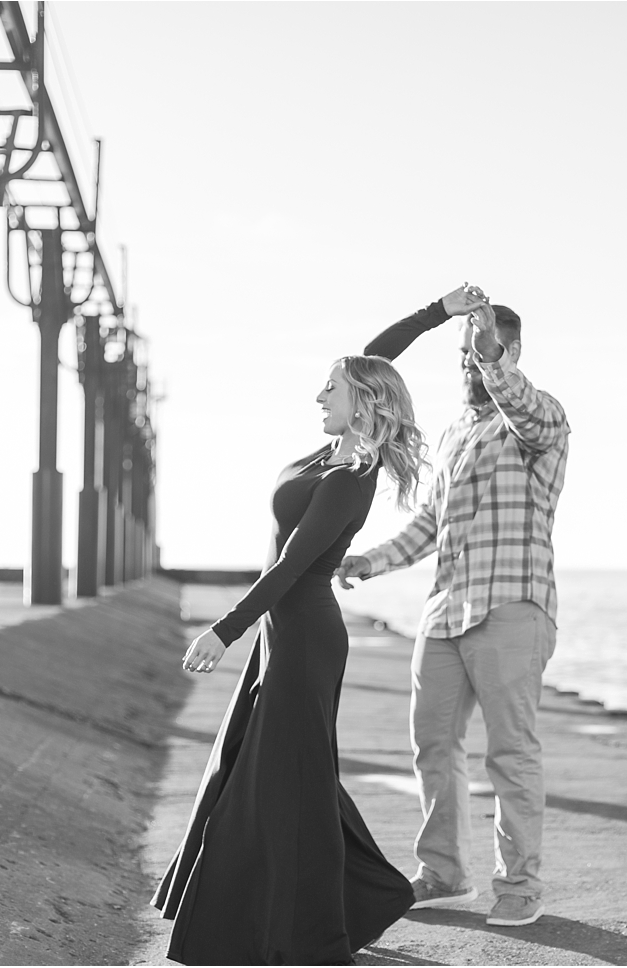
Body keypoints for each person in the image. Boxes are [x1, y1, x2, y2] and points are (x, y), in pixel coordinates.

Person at [152, 355, 426, 965]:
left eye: (331, 388)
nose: (318, 395)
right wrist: (437, 311)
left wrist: (224, 632)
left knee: (277, 783)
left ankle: (303, 929)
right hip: (283, 635)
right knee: (280, 776)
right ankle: (361, 899)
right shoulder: (326, 457)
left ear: (363, 401)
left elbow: (291, 567)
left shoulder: (351, 476)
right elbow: (373, 356)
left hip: (305, 641)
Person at [337, 286, 570, 928]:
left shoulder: (540, 420)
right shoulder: (452, 432)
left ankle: (519, 885)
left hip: (512, 607)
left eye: (478, 354)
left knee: (510, 753)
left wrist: (488, 350)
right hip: (443, 615)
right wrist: (368, 559)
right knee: (431, 746)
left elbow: (517, 398)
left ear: (507, 351)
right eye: (463, 359)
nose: (468, 366)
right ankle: (443, 873)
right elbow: (428, 524)